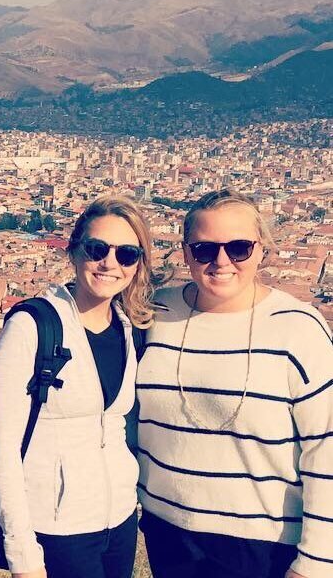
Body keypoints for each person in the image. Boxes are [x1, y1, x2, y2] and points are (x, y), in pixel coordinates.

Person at [136, 189, 332, 578]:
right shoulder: (156, 313)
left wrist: (316, 562)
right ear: (186, 252)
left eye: (238, 248)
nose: (221, 261)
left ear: (262, 250)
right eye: (204, 249)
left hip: (264, 547)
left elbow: (326, 449)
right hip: (167, 534)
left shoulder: (299, 328)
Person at [0, 195, 156, 578]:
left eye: (127, 254)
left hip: (120, 520)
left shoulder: (130, 327)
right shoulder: (32, 327)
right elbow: (5, 450)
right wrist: (23, 555)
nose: (110, 262)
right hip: (57, 526)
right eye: (98, 248)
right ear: (74, 250)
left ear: (138, 264)